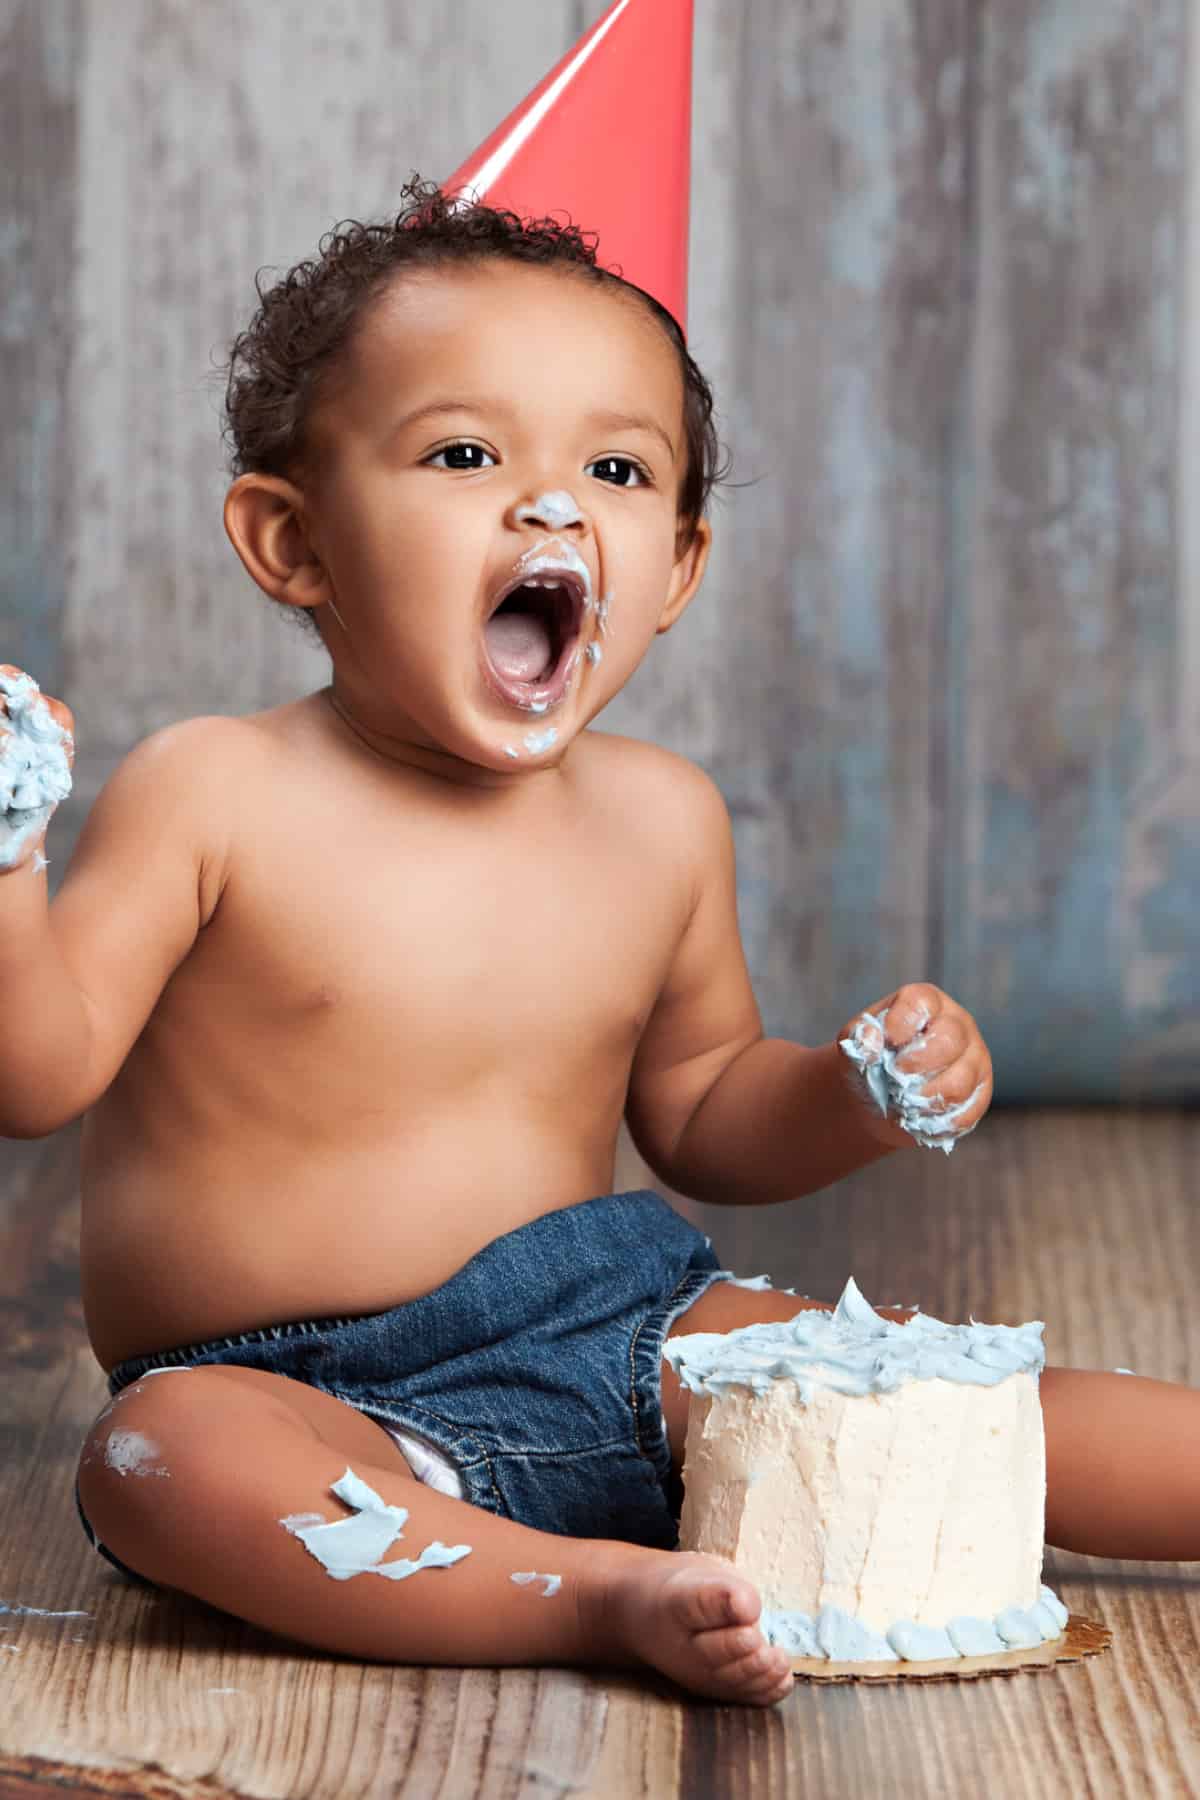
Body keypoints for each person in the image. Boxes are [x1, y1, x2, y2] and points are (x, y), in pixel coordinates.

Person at [4, 182, 1196, 1709]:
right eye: (464, 454)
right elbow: (37, 1075)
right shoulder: (213, 791)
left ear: (679, 567)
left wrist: (850, 1090)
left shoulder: (659, 819)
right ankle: (593, 1596)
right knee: (156, 1466)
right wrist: (10, 854)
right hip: (289, 1389)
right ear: (289, 539)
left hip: (620, 1328)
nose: (554, 507)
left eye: (617, 469)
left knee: (938, 1393)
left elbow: (702, 1108)